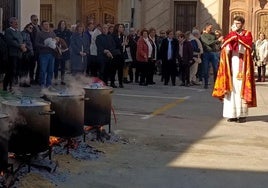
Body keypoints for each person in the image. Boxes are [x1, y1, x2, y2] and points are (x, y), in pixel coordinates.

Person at [212, 16, 257, 123]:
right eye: (235, 23)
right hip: (231, 64)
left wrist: (236, 36)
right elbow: (225, 46)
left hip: (243, 65)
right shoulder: (231, 34)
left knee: (241, 88)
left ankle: (242, 115)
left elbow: (247, 47)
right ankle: (231, 114)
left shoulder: (247, 34)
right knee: (231, 88)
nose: (236, 25)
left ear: (242, 24)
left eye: (238, 23)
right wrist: (233, 35)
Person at [3, 17, 26, 92]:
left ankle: (13, 86)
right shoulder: (8, 31)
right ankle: (7, 86)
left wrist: (23, 46)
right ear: (11, 23)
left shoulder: (18, 32)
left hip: (19, 54)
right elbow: (11, 41)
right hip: (12, 54)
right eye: (15, 23)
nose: (17, 24)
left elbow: (21, 40)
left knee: (17, 71)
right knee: (11, 71)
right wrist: (20, 46)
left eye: (17, 23)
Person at [35, 20, 57, 88]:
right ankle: (42, 84)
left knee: (50, 70)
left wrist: (56, 41)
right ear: (42, 26)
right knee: (43, 70)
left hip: (52, 54)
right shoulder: (39, 33)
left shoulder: (52, 33)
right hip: (43, 54)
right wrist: (45, 46)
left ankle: (49, 84)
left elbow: (55, 41)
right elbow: (36, 43)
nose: (47, 25)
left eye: (47, 24)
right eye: (45, 24)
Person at [201, 23, 223, 89]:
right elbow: (208, 42)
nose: (211, 29)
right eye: (210, 28)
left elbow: (216, 42)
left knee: (215, 68)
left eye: (211, 28)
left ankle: (216, 83)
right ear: (206, 28)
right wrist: (217, 40)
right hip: (206, 53)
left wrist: (219, 40)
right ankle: (206, 83)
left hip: (213, 53)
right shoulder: (203, 35)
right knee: (206, 69)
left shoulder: (213, 34)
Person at [54, 20, 72, 85]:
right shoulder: (56, 31)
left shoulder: (68, 32)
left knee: (63, 66)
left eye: (64, 24)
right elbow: (54, 40)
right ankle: (55, 79)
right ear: (59, 25)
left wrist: (66, 48)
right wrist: (58, 48)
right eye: (61, 24)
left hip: (64, 51)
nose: (63, 25)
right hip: (57, 51)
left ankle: (62, 79)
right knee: (56, 66)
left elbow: (69, 41)